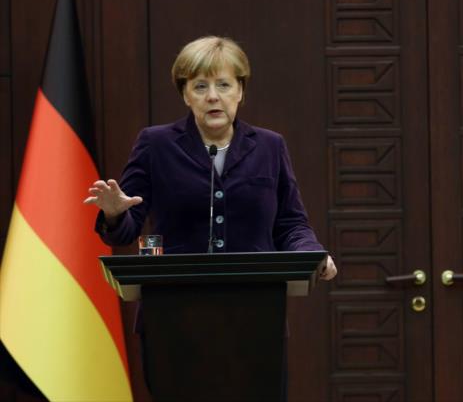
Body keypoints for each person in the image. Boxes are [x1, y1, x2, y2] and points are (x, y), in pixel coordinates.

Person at [84, 35, 336, 277]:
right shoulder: (156, 144)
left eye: (224, 85)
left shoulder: (270, 146)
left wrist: (312, 254)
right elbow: (124, 233)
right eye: (200, 86)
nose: (213, 96)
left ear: (240, 91)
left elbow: (291, 224)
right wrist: (115, 215)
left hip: (256, 298)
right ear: (186, 95)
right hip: (172, 298)